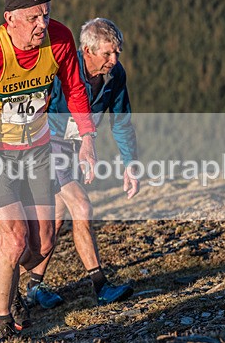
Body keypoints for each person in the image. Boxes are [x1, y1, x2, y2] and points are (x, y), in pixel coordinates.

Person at [0, 0, 97, 343]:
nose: (41, 24)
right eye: (33, 17)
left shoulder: (60, 38)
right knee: (14, 241)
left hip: (37, 150)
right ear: (10, 19)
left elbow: (76, 88)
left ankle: (12, 284)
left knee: (43, 243)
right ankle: (3, 325)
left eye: (45, 15)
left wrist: (88, 139)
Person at [24, 18, 139, 309]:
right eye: (107, 54)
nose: (114, 60)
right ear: (87, 50)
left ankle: (33, 288)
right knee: (82, 206)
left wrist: (130, 164)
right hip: (48, 147)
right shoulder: (62, 68)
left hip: (75, 149)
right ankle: (100, 287)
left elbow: (121, 120)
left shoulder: (116, 76)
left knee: (56, 221)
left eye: (117, 53)